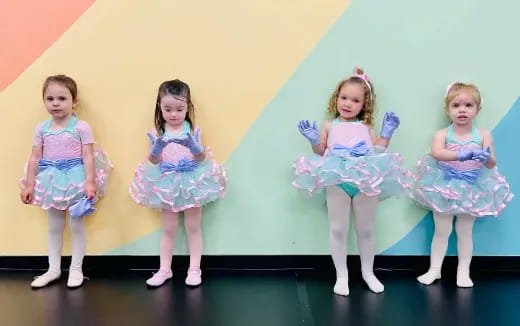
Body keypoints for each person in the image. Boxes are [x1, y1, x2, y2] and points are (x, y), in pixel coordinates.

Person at [293, 68, 412, 296]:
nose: (347, 104)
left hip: (364, 180)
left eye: (355, 100)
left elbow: (376, 151)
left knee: (366, 229)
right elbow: (321, 151)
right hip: (337, 179)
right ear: (336, 98)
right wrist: (313, 140)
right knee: (338, 229)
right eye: (343, 98)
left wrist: (386, 135)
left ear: (364, 105)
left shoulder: (366, 127)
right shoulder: (329, 125)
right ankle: (342, 275)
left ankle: (368, 272)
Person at [411, 82, 513, 287]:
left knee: (465, 232)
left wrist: (486, 157)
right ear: (447, 109)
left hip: (472, 188)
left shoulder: (483, 134)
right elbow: (437, 153)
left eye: (468, 105)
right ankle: (434, 270)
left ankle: (463, 272)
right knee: (442, 231)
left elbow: (492, 162)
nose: (462, 110)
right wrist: (462, 154)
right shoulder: (443, 134)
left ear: (477, 109)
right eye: (456, 105)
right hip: (445, 186)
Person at [130, 79, 226, 288]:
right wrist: (155, 150)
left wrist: (193, 145)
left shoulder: (194, 130)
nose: (173, 114)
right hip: (167, 183)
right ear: (160, 107)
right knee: (169, 228)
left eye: (179, 109)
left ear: (188, 107)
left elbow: (201, 158)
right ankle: (165, 269)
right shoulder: (157, 132)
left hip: (192, 182)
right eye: (168, 109)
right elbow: (154, 161)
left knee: (193, 226)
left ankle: (194, 269)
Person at [20, 75, 112, 288]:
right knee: (54, 226)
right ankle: (53, 269)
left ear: (74, 102)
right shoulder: (42, 129)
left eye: (62, 98)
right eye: (50, 98)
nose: (55, 103)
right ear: (44, 101)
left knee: (76, 224)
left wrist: (90, 182)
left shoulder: (81, 127)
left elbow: (88, 156)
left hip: (76, 180)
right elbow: (35, 157)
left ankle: (76, 269)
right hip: (51, 180)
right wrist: (29, 184)